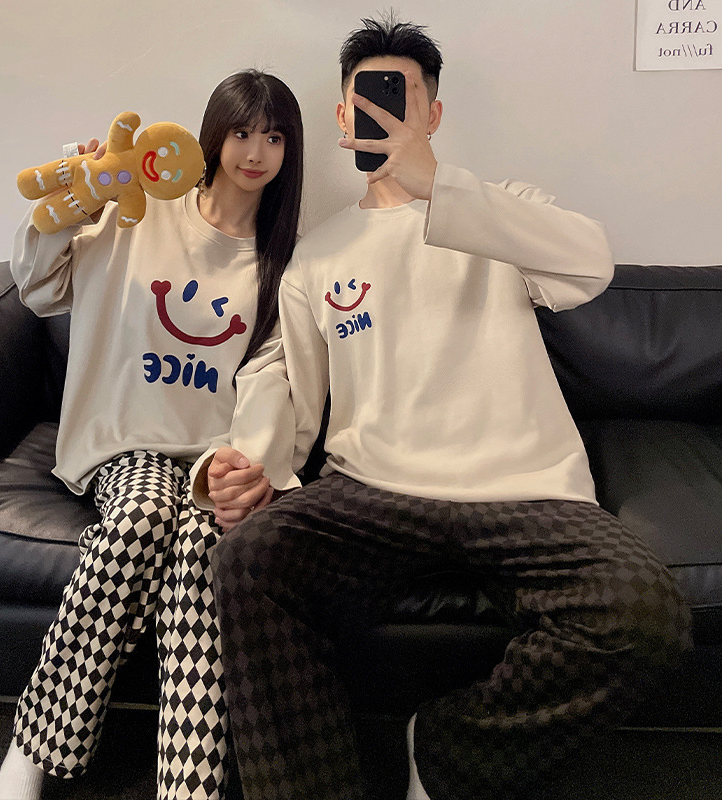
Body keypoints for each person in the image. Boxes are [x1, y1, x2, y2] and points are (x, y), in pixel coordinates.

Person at [205, 16, 693, 800]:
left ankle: (444, 754)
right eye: (366, 101)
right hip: (371, 491)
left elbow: (589, 267)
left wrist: (439, 186)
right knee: (248, 562)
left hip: (525, 491)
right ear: (342, 116)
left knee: (645, 615)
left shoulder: (500, 210)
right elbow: (282, 373)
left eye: (402, 101)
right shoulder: (318, 253)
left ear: (432, 115)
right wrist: (252, 463)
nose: (384, 116)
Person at [0, 69, 303, 800]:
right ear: (213, 134)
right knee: (141, 516)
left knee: (203, 553)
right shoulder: (140, 208)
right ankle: (34, 748)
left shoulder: (284, 262)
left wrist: (247, 465)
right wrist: (81, 199)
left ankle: (187, 788)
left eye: (275, 137)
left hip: (210, 459)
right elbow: (37, 286)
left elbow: (276, 375)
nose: (256, 152)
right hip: (124, 440)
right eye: (242, 132)